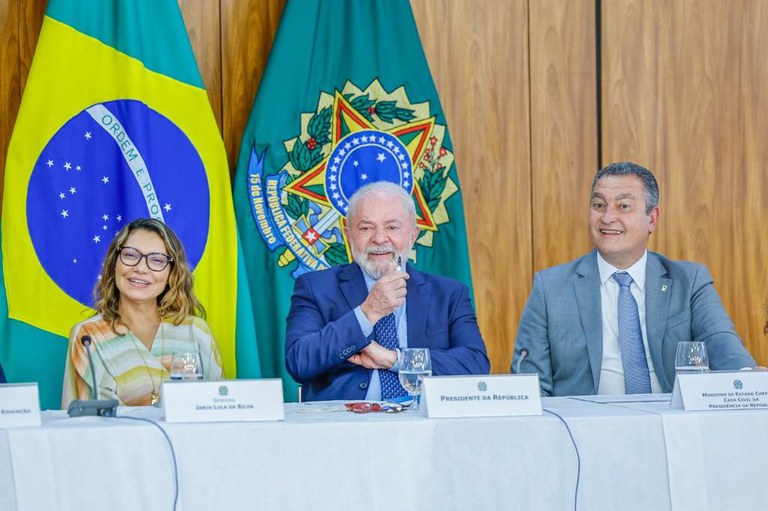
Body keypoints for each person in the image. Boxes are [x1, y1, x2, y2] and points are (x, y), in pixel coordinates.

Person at [512, 162, 756, 396]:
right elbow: (530, 385)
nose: (607, 217)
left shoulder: (689, 281)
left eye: (623, 206)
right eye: (599, 205)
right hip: (582, 431)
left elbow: (720, 341)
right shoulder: (550, 288)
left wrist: (749, 380)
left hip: (670, 428)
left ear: (652, 218)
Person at [285, 181, 490, 401]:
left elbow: (475, 364)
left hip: (424, 427)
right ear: (348, 234)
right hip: (346, 428)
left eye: (392, 227)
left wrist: (394, 359)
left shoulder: (449, 294)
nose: (380, 238)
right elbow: (299, 361)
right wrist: (367, 313)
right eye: (366, 228)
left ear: (413, 235)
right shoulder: (315, 287)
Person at [62, 218, 223, 407]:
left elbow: (217, 408)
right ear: (114, 264)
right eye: (130, 255)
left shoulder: (195, 332)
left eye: (156, 260)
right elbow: (93, 423)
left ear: (171, 275)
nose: (140, 268)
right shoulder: (88, 337)